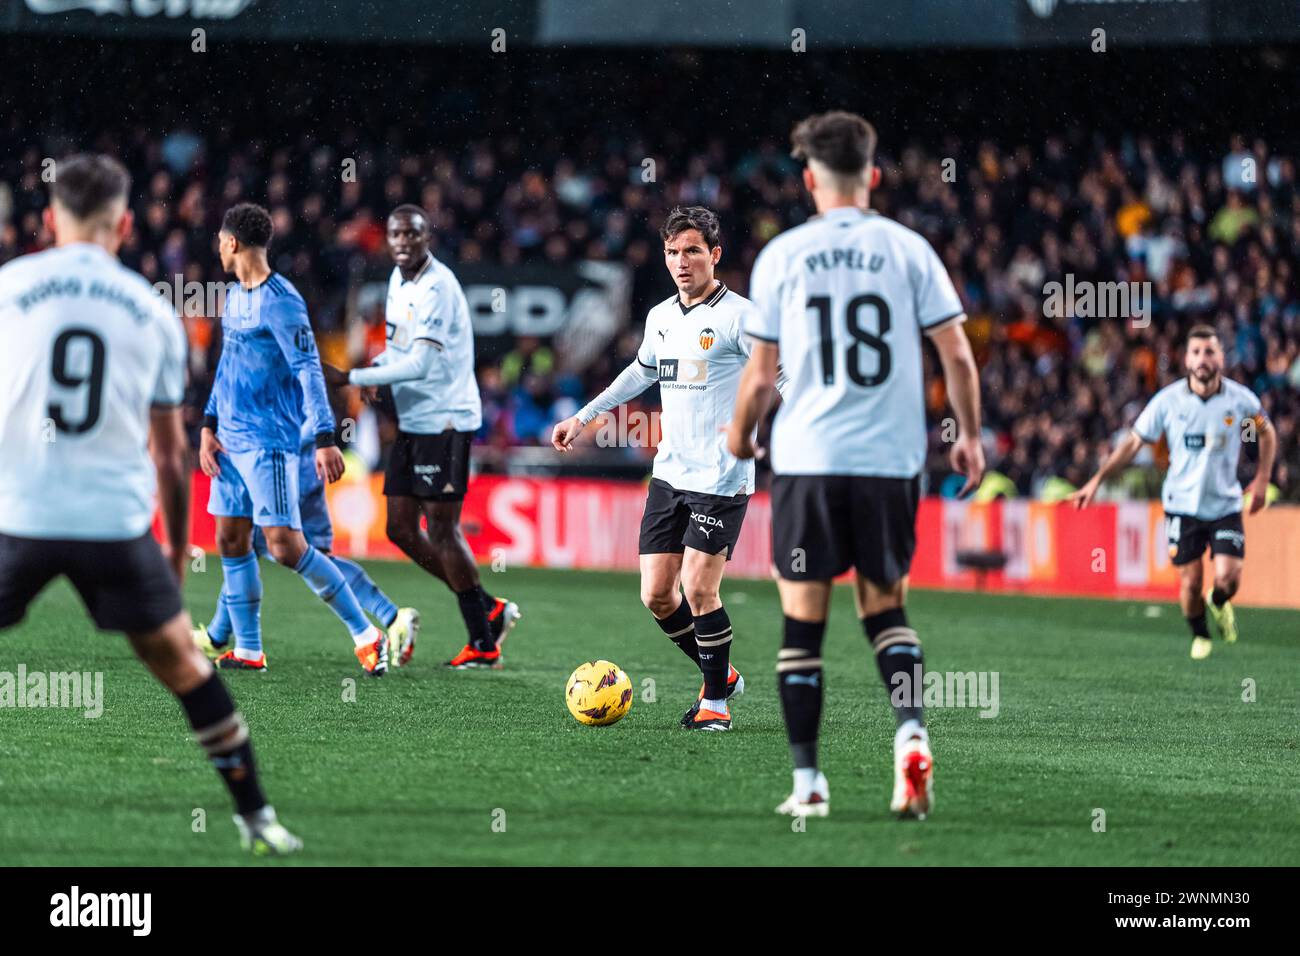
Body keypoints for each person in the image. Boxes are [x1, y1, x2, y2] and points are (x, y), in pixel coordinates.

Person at [0, 154, 299, 854]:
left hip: (17, 517)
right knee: (187, 671)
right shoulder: (153, 310)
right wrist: (170, 550)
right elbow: (169, 455)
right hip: (113, 524)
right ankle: (258, 819)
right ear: (126, 224)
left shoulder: (9, 289)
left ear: (49, 220)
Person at [727, 112, 983, 818]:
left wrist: (742, 437)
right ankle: (909, 737)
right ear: (872, 175)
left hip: (808, 460)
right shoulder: (909, 249)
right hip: (889, 460)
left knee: (802, 624)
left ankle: (809, 785)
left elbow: (757, 378)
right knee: (887, 610)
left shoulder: (782, 254)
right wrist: (967, 435)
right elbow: (957, 354)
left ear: (809, 178)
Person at [552, 205, 779, 730]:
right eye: (673, 252)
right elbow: (639, 373)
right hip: (670, 474)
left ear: (714, 255)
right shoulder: (660, 317)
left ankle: (715, 706)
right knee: (656, 594)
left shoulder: (740, 316)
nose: (682, 262)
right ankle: (720, 673)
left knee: (701, 590)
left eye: (693, 251)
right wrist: (584, 417)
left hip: (722, 477)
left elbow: (779, 374)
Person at [324, 205, 519, 669]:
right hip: (415, 421)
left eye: (412, 234)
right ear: (387, 239)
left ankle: (483, 642)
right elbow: (399, 348)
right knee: (399, 527)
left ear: (426, 237)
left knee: (445, 530)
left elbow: (423, 363)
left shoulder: (439, 287)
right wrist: (374, 369)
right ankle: (489, 608)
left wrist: (350, 375)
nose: (403, 242)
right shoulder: (397, 281)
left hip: (446, 419)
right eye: (395, 234)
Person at [200, 203, 389, 674]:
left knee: (285, 545)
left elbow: (308, 370)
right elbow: (227, 366)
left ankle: (366, 634)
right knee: (230, 539)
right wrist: (207, 424)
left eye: (220, 241)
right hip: (228, 441)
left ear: (232, 243)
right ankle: (248, 649)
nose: (217, 248)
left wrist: (325, 437)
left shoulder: (281, 301)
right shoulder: (235, 295)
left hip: (269, 442)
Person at [1069, 325, 1275, 659]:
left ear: (1221, 357)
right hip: (1182, 506)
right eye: (1196, 352)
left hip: (1224, 503)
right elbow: (1133, 442)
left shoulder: (1240, 401)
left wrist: (1263, 479)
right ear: (1185, 359)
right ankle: (1200, 634)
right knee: (1191, 582)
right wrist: (1097, 479)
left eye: (1209, 351)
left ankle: (1219, 602)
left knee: (1228, 579)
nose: (1202, 359)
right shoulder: (1168, 401)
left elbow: (1267, 433)